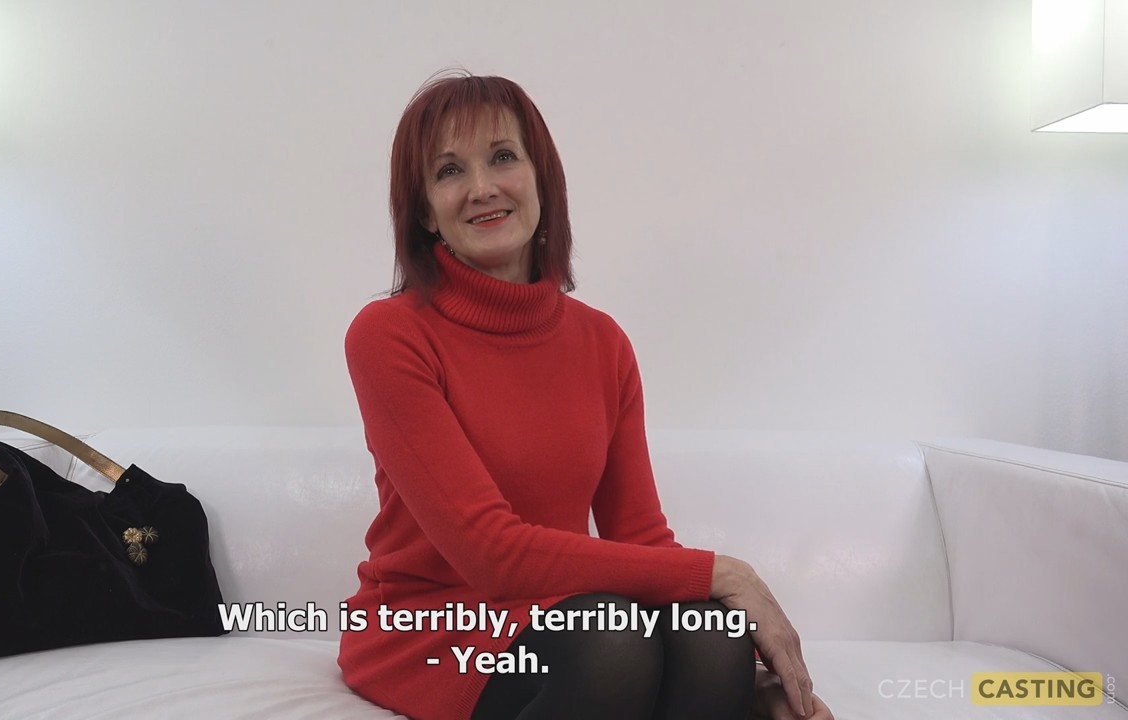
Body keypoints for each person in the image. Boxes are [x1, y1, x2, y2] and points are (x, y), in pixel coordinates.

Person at [338, 72, 834, 720]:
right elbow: (490, 554)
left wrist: (758, 679)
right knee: (611, 644)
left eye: (503, 157)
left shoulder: (603, 343)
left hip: (558, 616)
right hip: (430, 629)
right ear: (427, 210)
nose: (482, 187)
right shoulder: (389, 335)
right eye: (449, 170)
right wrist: (726, 573)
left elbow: (641, 538)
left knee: (711, 639)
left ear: (541, 179)